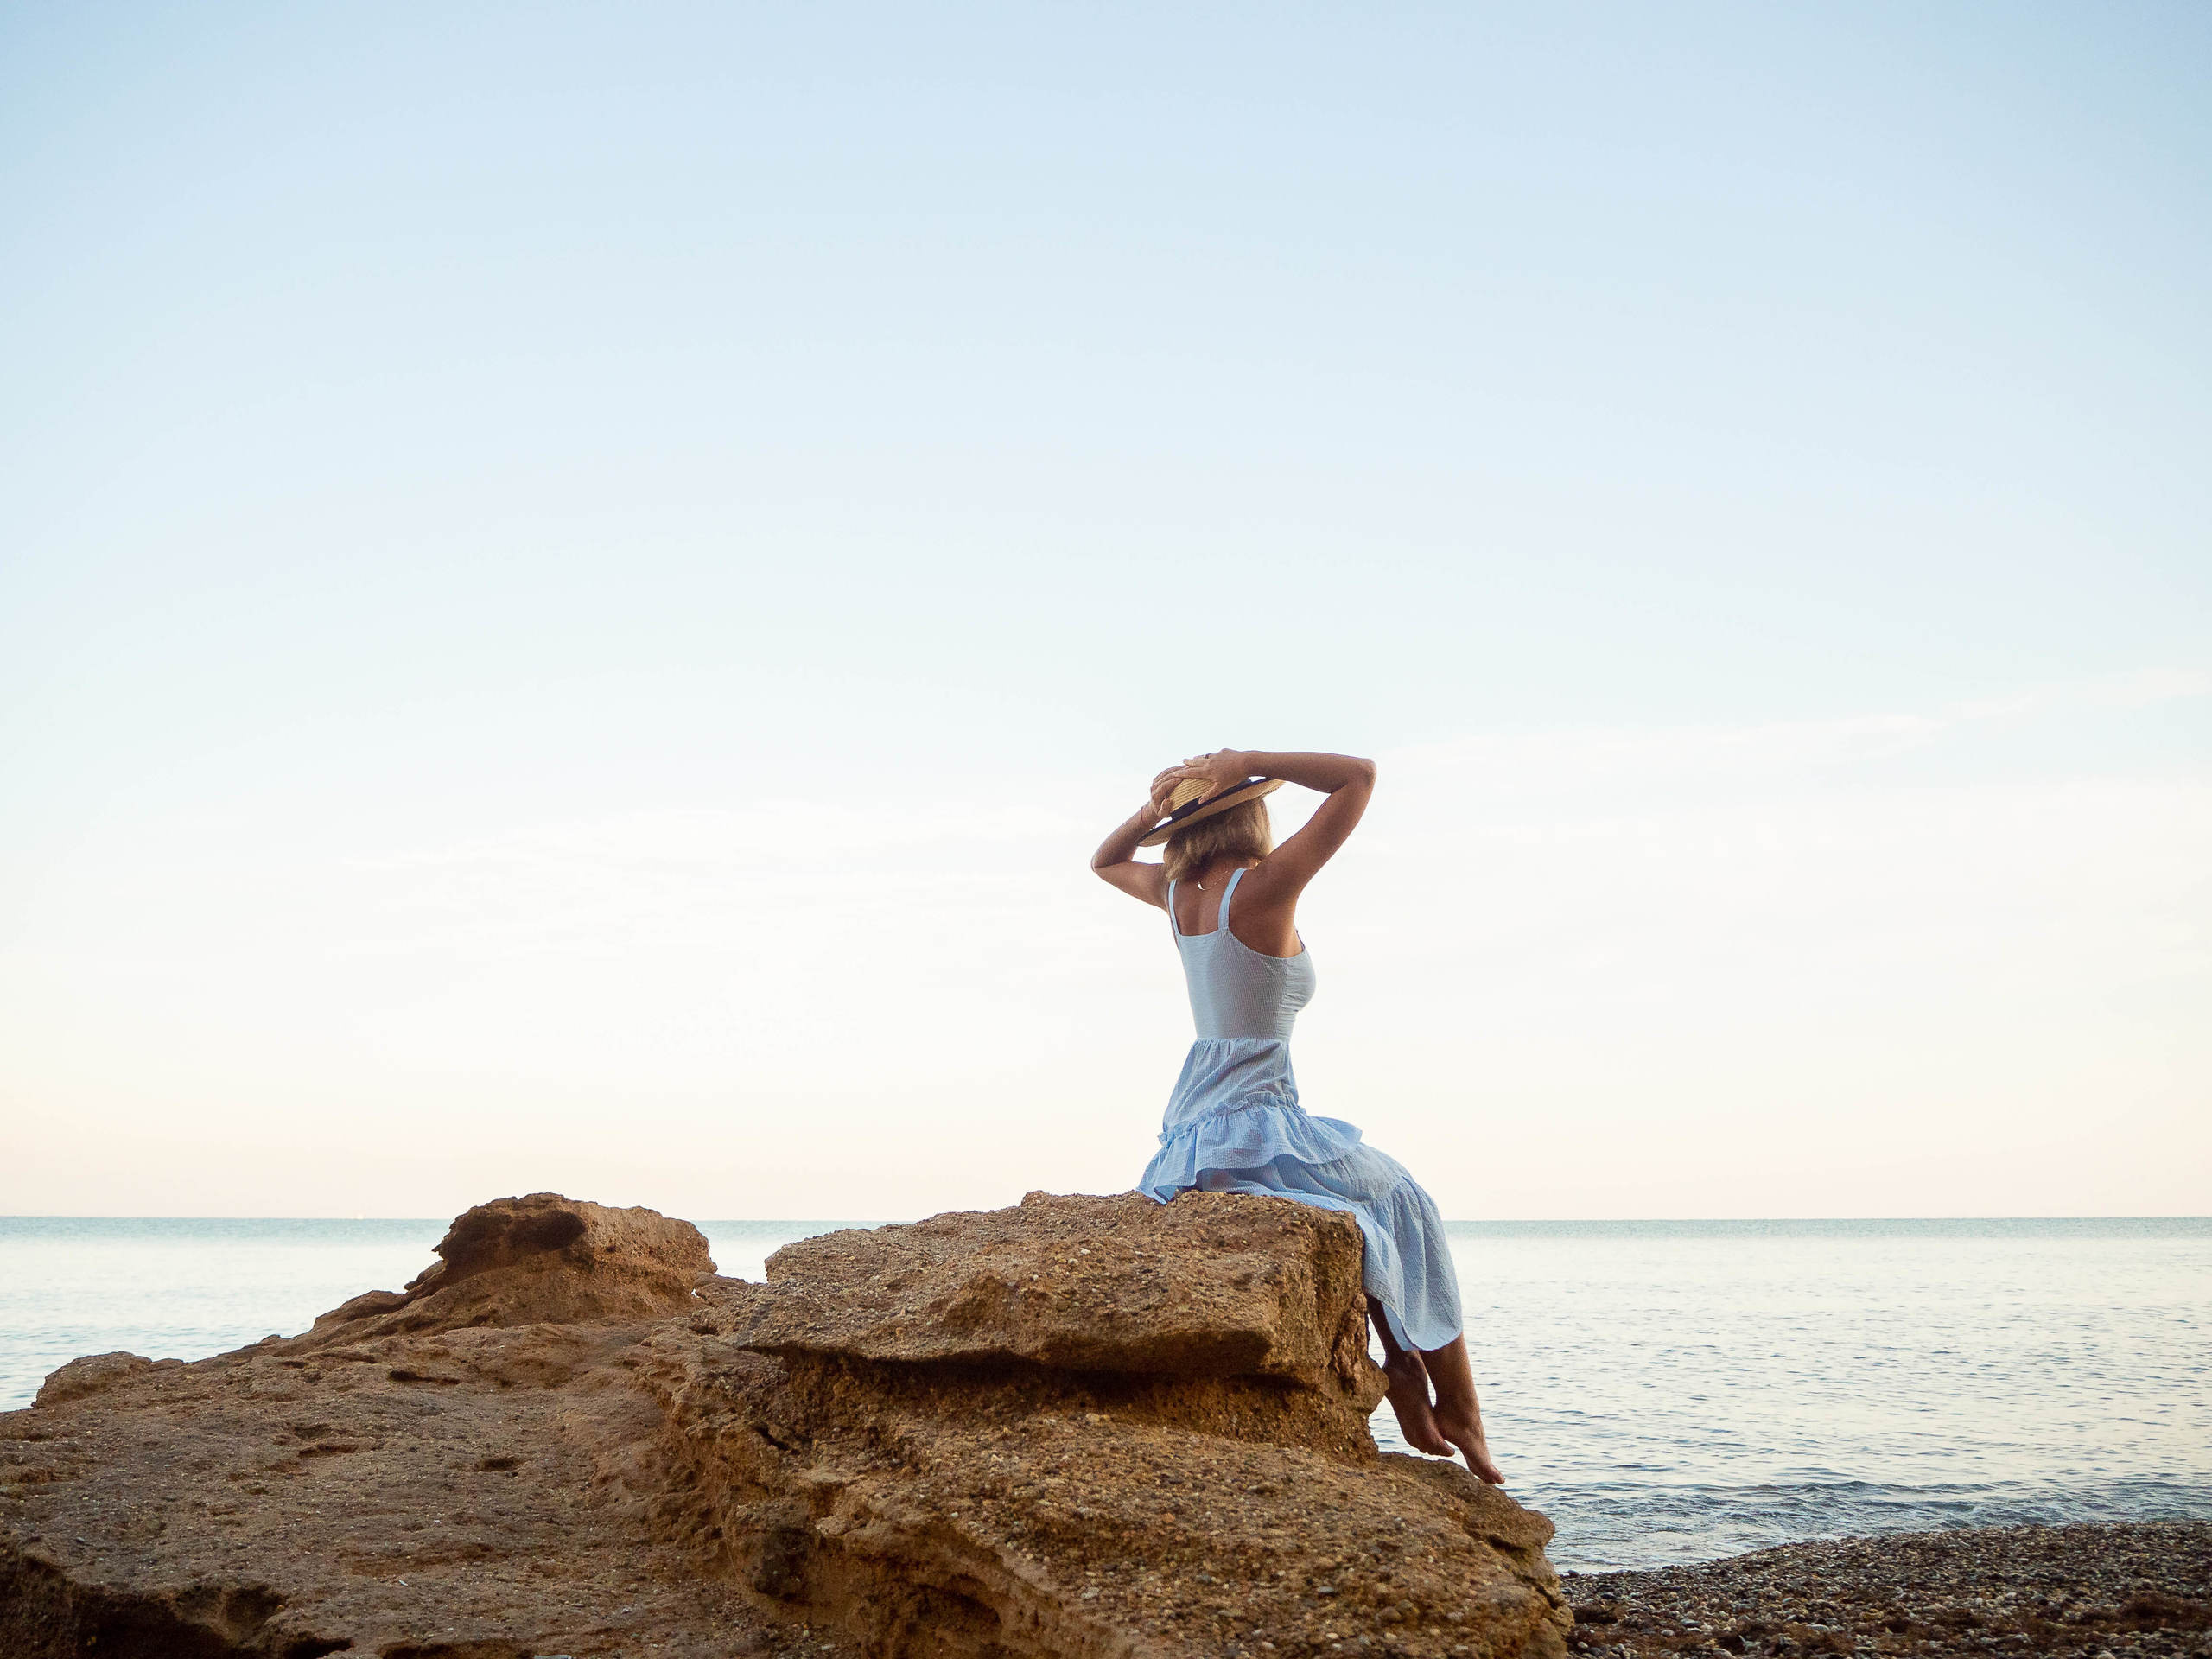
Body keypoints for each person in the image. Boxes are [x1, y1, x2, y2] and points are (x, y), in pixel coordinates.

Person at [1090, 747, 1505, 1484]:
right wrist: (1248, 757)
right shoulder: (1266, 885)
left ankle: (1403, 1372)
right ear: (1249, 813)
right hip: (1259, 1118)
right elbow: (1359, 777)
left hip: (1196, 1132)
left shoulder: (1176, 893)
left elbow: (1104, 860)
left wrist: (1150, 816)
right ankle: (1462, 1408)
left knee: (1358, 1205)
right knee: (1404, 1199)